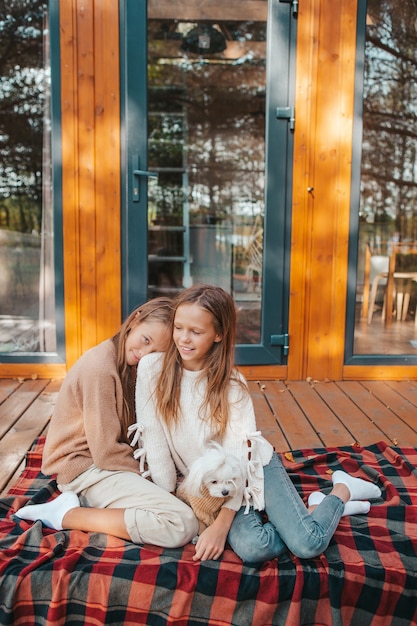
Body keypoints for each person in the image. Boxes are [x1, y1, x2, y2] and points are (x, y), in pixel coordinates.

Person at [135, 284, 382, 564]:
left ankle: (341, 491)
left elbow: (241, 457)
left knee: (308, 543)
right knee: (255, 547)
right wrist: (171, 501)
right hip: (208, 483)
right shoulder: (152, 369)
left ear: (218, 335)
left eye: (196, 331)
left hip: (251, 468)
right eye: (178, 328)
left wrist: (221, 525)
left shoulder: (231, 385)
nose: (183, 339)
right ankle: (308, 513)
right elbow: (153, 442)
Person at [14, 297, 199, 548]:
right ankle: (66, 515)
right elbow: (105, 451)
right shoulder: (100, 367)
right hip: (85, 470)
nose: (145, 353)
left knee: (190, 495)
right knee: (181, 521)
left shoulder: (133, 366)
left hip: (108, 465)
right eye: (146, 340)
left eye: (156, 352)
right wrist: (151, 478)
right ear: (135, 320)